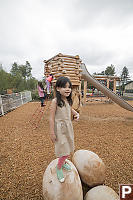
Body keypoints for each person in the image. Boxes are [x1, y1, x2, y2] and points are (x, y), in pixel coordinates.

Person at [49, 76, 79, 183]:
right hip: (59, 129)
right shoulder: (55, 101)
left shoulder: (67, 100)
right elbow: (51, 118)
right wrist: (52, 132)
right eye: (64, 87)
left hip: (68, 128)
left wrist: (76, 114)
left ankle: (63, 161)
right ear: (57, 88)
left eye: (69, 87)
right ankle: (59, 167)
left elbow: (70, 109)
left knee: (68, 146)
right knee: (63, 149)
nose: (68, 89)